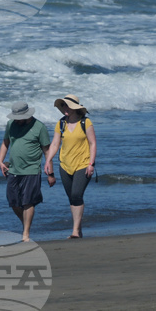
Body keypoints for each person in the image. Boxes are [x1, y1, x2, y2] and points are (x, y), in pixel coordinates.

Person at [43, 94, 97, 238]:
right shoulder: (61, 123)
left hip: (83, 164)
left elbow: (93, 144)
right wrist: (48, 160)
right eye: (63, 106)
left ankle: (74, 232)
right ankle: (78, 230)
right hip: (65, 165)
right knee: (72, 198)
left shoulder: (86, 123)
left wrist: (91, 164)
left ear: (74, 108)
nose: (64, 108)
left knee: (76, 195)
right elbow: (55, 144)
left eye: (67, 105)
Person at [0, 101, 51, 242]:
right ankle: (26, 224)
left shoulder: (39, 127)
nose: (17, 120)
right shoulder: (11, 124)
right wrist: (0, 161)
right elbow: (5, 143)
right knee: (14, 202)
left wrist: (50, 171)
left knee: (28, 201)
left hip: (32, 169)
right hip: (13, 168)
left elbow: (47, 151)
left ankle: (25, 234)